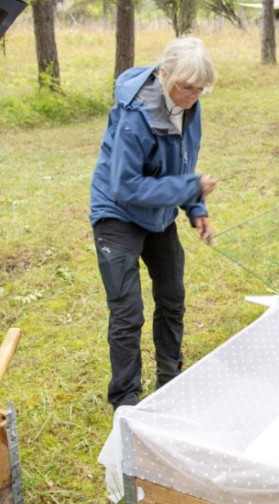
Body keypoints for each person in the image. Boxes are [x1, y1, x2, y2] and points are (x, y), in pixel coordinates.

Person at [89, 37, 219, 410]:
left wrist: (195, 208)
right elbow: (125, 186)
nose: (192, 94)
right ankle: (126, 401)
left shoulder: (191, 106)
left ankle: (169, 379)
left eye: (200, 88)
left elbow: (182, 162)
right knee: (128, 311)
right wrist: (187, 187)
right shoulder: (135, 116)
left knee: (172, 295)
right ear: (164, 74)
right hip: (117, 214)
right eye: (185, 86)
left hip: (158, 213)